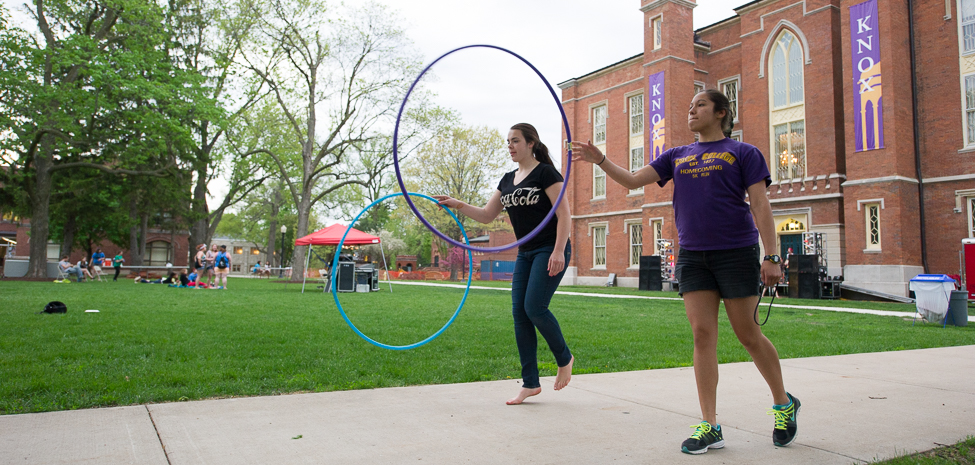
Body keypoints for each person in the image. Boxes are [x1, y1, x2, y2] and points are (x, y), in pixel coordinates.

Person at [571, 89, 798, 455]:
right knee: (702, 335)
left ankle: (784, 405)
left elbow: (760, 204)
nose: (691, 110)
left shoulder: (744, 153)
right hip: (693, 256)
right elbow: (631, 181)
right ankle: (710, 424)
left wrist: (771, 255)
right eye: (689, 106)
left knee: (748, 336)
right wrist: (601, 160)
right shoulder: (677, 155)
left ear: (722, 112)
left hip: (736, 253)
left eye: (700, 105)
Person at [434, 123, 573, 405]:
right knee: (519, 314)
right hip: (525, 252)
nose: (510, 146)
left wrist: (558, 250)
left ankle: (564, 357)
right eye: (508, 142)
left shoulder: (546, 173)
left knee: (534, 307)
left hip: (549, 248)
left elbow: (565, 215)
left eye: (515, 141)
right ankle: (531, 383)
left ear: (531, 143)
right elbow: (486, 215)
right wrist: (457, 204)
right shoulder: (507, 179)